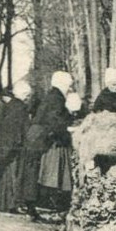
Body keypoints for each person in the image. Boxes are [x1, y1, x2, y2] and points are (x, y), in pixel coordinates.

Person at [22, 71, 76, 216]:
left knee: (34, 172)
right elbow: (55, 120)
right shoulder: (57, 98)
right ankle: (38, 206)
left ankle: (32, 206)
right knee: (41, 173)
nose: (69, 89)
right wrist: (67, 129)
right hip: (43, 139)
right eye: (68, 86)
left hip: (37, 137)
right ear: (63, 85)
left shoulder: (52, 96)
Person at [0, 85, 30, 213]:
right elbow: (22, 128)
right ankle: (11, 204)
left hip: (4, 144)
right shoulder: (20, 107)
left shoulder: (7, 105)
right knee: (13, 175)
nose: (28, 98)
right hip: (14, 145)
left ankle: (0, 203)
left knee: (2, 174)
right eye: (27, 96)